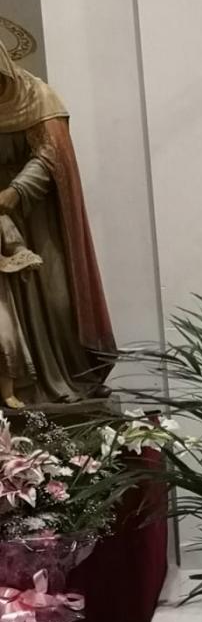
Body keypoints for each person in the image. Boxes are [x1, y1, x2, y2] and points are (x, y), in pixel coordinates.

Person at [0, 47, 115, 405]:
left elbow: (51, 154)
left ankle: (76, 374)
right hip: (2, 225)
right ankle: (25, 389)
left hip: (41, 218)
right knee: (10, 313)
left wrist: (16, 192)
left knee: (58, 298)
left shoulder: (39, 97)